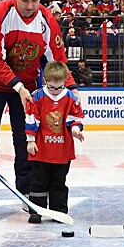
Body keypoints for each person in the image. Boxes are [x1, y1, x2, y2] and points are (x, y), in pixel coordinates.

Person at [0, 0, 78, 220]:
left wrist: (71, 87)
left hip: (28, 83)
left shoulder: (47, 20)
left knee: (27, 137)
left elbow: (57, 59)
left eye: (34, 0)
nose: (29, 6)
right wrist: (18, 87)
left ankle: (29, 193)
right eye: (24, 0)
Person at [25, 61, 84, 224]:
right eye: (52, 87)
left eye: (59, 88)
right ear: (45, 81)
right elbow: (31, 118)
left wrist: (76, 129)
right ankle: (36, 211)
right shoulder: (37, 96)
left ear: (65, 82)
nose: (56, 91)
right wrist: (30, 140)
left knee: (59, 182)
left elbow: (75, 118)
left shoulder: (71, 98)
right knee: (38, 182)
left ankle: (58, 211)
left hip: (62, 150)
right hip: (41, 149)